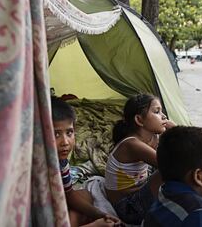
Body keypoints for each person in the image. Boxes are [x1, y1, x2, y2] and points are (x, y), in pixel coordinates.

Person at [104, 94, 174, 224]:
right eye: (157, 111)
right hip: (128, 207)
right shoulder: (132, 144)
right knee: (171, 169)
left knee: (175, 165)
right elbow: (172, 166)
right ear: (139, 120)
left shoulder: (152, 137)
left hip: (140, 191)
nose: (163, 116)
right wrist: (175, 130)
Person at [51, 96, 121, 227]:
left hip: (56, 206)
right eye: (56, 134)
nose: (65, 142)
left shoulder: (61, 162)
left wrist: (100, 214)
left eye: (69, 132)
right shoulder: (36, 170)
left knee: (84, 195)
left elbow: (69, 194)